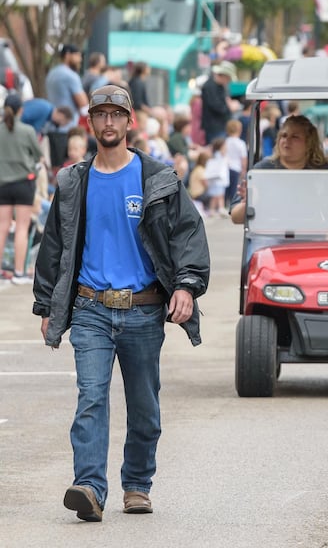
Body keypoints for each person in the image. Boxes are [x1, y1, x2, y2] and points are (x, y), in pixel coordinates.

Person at [31, 83, 210, 522]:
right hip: (90, 308)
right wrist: (47, 305)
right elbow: (54, 244)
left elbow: (188, 234)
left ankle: (136, 483)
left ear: (130, 122)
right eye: (100, 114)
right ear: (89, 122)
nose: (108, 122)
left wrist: (185, 286)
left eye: (116, 114)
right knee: (90, 397)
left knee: (144, 405)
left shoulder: (158, 178)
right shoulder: (74, 181)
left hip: (144, 310)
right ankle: (89, 487)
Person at [0, 93, 44, 283]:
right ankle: (19, 272)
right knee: (21, 227)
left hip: (2, 184)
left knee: (2, 226)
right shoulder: (27, 131)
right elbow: (37, 155)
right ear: (20, 110)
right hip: (23, 183)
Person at [45, 44, 88, 132]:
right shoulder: (71, 75)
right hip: (69, 128)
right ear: (68, 55)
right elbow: (84, 104)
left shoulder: (51, 73)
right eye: (78, 55)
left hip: (52, 126)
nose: (80, 59)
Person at [199, 62, 233, 144]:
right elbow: (217, 106)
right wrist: (229, 106)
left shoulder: (220, 86)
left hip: (220, 126)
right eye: (228, 79)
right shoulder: (209, 87)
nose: (228, 82)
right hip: (214, 127)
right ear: (224, 76)